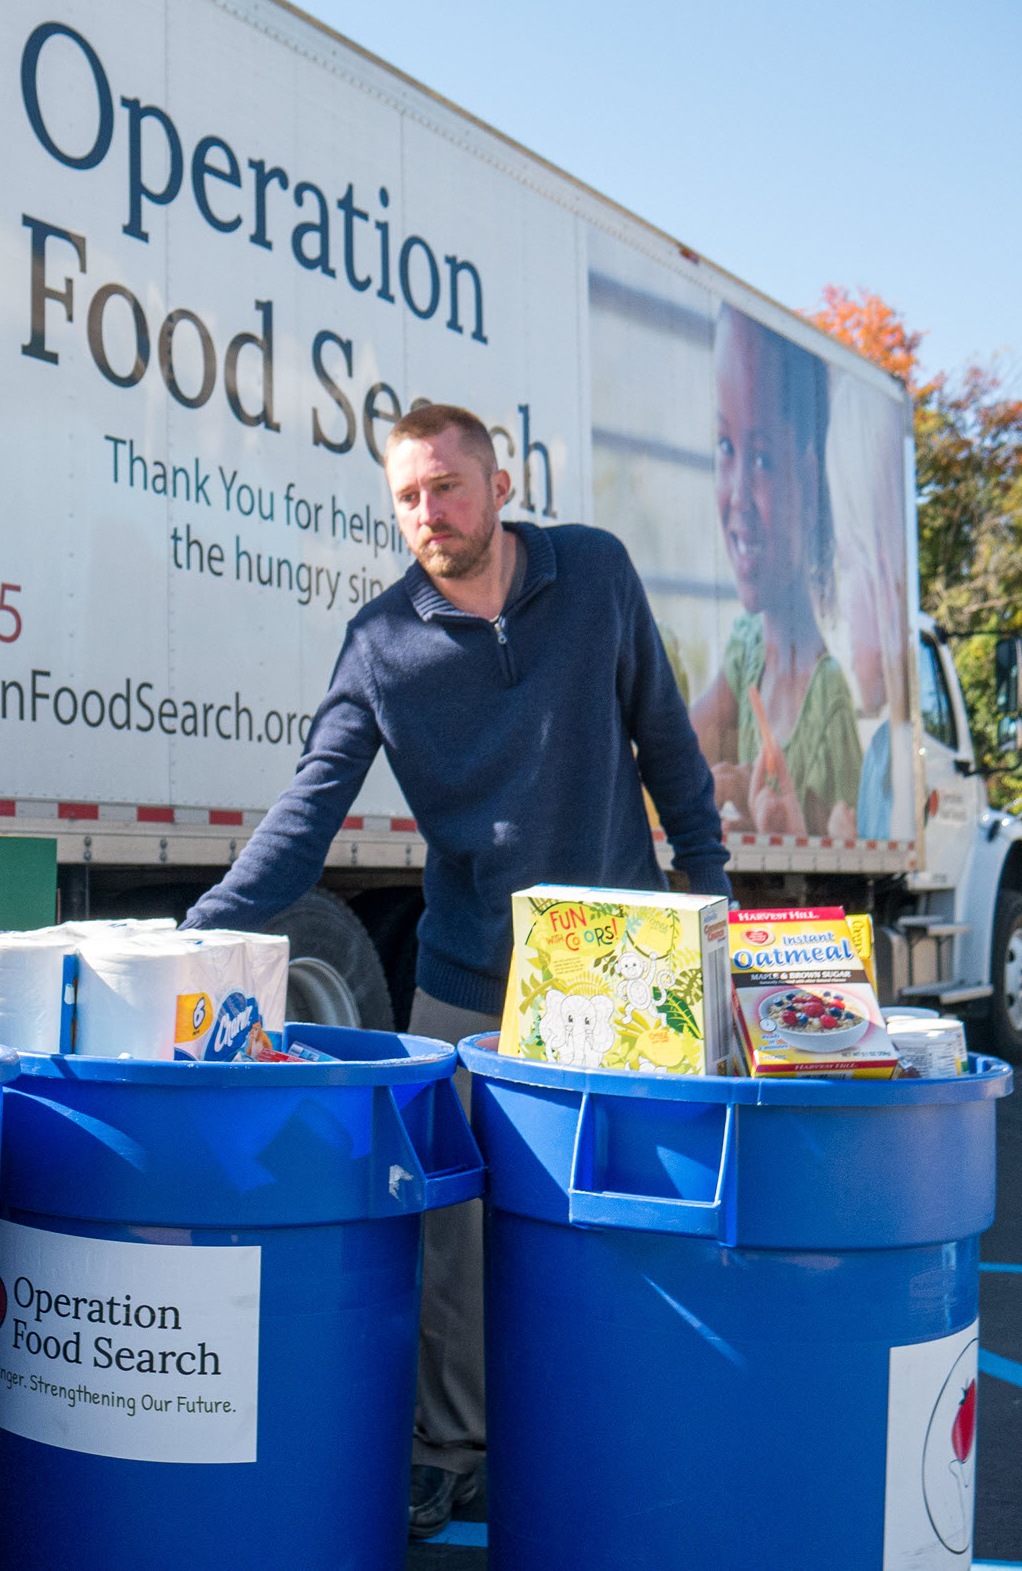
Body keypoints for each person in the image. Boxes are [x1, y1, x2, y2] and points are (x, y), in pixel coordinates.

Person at [180, 402, 731, 1540]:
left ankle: (622, 1422)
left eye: (447, 487)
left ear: (499, 482)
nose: (428, 514)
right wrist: (198, 929)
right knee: (452, 1235)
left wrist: (709, 909)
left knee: (617, 1216)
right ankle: (451, 1449)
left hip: (621, 973)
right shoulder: (382, 643)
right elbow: (307, 813)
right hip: (470, 969)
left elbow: (668, 746)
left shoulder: (595, 575)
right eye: (408, 498)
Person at [689, 307, 864, 840]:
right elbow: (675, 753)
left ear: (809, 482)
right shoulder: (746, 649)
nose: (737, 497)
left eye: (762, 459)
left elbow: (836, 840)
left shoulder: (830, 699)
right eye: (726, 447)